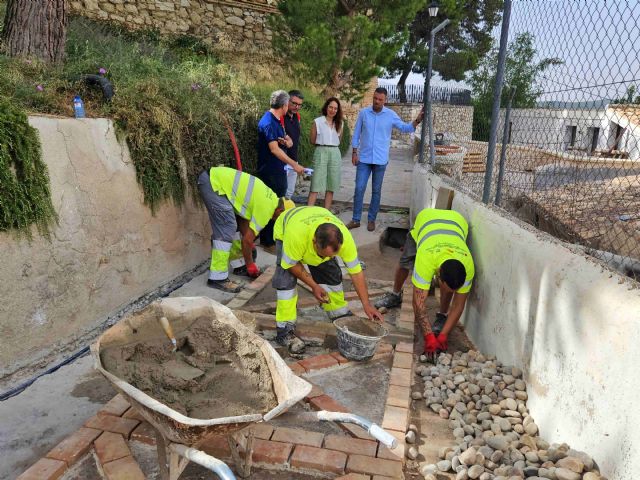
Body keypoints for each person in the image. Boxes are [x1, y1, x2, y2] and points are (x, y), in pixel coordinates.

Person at [271, 206, 384, 353]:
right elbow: (292, 265)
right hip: (287, 226)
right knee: (285, 281)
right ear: (314, 242)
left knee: (330, 272)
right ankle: (285, 331)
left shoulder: (344, 238)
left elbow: (356, 273)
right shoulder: (295, 236)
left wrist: (366, 304)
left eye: (332, 255)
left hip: (315, 219)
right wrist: (313, 285)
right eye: (324, 254)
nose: (328, 258)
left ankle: (337, 313)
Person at [375, 208, 475, 359]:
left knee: (448, 294)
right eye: (445, 288)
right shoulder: (425, 259)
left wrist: (443, 335)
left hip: (456, 220)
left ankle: (442, 315)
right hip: (426, 220)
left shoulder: (468, 266)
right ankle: (395, 294)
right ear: (438, 276)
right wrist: (429, 337)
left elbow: (458, 306)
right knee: (404, 263)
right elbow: (418, 303)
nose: (449, 293)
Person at [197, 166, 295, 293]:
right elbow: (246, 241)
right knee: (226, 229)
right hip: (213, 184)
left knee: (233, 226)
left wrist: (250, 246)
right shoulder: (266, 210)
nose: (279, 222)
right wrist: (250, 263)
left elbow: (243, 219)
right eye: (282, 219)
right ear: (280, 211)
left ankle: (239, 266)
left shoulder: (271, 198)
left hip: (214, 180)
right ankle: (217, 277)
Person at [347, 87, 423, 232]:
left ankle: (371, 219)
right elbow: (356, 133)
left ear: (385, 100)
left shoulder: (390, 115)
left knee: (376, 191)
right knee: (359, 187)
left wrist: (418, 120)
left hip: (380, 160)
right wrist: (354, 152)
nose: (376, 101)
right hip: (364, 158)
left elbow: (405, 128)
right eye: (375, 98)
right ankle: (356, 219)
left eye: (380, 99)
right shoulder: (364, 113)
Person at [257, 90, 305, 252]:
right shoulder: (269, 122)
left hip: (278, 170)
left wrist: (287, 141)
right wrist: (295, 165)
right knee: (273, 206)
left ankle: (273, 237)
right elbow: (274, 150)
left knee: (278, 204)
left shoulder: (276, 121)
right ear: (284, 105)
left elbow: (281, 141)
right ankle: (268, 241)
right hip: (270, 171)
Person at [307, 97, 343, 210]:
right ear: (326, 107)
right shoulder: (317, 122)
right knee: (316, 183)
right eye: (331, 107)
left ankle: (326, 212)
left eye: (335, 108)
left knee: (331, 184)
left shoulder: (340, 124)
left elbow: (339, 141)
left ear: (338, 111)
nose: (332, 110)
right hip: (321, 151)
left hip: (335, 153)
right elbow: (312, 140)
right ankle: (308, 212)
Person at [280, 89, 304, 199]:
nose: (297, 107)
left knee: (289, 193)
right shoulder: (280, 116)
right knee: (280, 192)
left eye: (299, 105)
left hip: (294, 160)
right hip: (282, 160)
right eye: (294, 103)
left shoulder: (297, 117)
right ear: (287, 101)